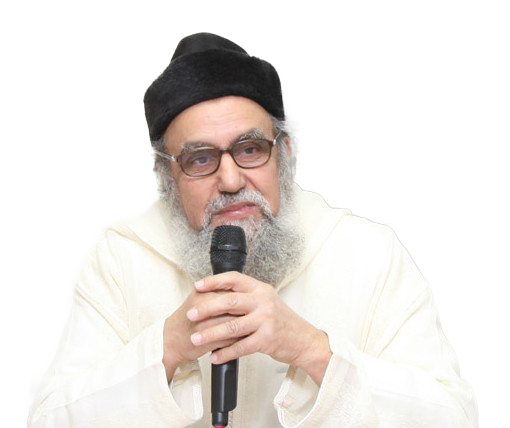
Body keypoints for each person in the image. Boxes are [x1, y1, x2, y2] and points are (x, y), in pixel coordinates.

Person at [28, 32, 478, 428]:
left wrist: (311, 350)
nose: (230, 181)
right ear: (168, 177)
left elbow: (453, 418)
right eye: (200, 159)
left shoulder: (368, 252)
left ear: (284, 153)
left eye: (249, 149)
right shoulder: (120, 259)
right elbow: (50, 420)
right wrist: (168, 348)